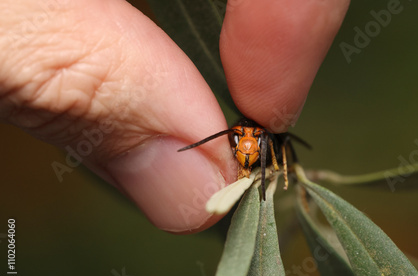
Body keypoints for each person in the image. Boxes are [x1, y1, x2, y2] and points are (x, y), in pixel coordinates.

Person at [0, 0, 349, 233]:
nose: (244, 145)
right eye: (240, 140)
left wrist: (282, 168)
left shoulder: (268, 142)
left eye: (248, 142)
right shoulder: (242, 135)